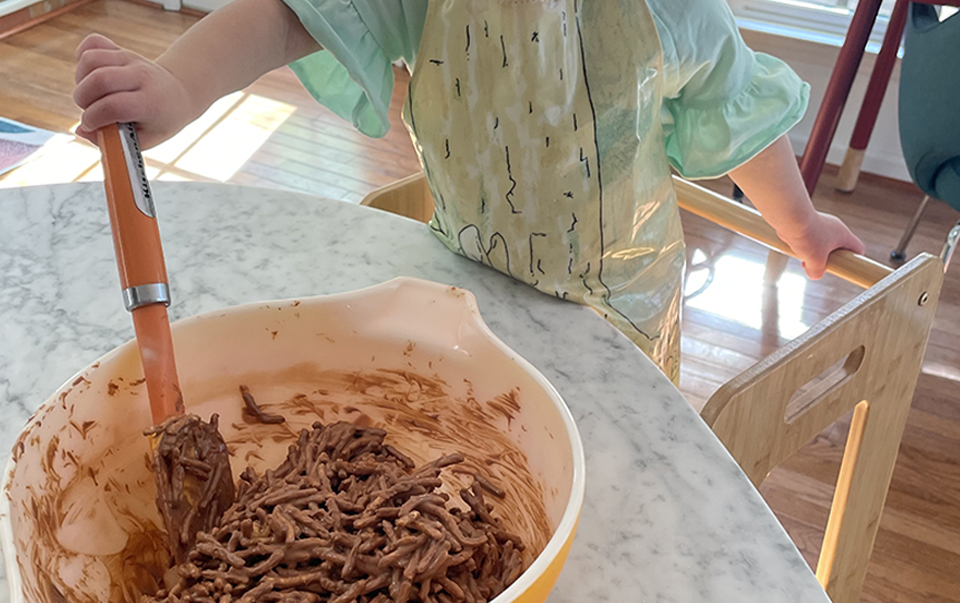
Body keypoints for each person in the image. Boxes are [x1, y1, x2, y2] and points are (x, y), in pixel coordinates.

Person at [73, 0, 865, 382]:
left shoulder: (675, 9)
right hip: (468, 275)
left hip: (619, 312)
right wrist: (177, 83)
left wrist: (799, 222)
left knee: (602, 471)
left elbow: (737, 114)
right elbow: (285, 16)